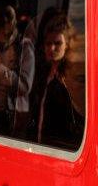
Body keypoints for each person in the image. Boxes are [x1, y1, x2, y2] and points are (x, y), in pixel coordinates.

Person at [28, 12, 84, 149]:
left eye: (57, 43)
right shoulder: (42, 74)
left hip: (60, 150)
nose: (52, 48)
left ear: (67, 45)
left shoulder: (70, 77)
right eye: (48, 43)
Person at [0, 6, 35, 136]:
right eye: (1, 17)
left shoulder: (24, 46)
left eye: (8, 16)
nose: (5, 21)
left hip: (12, 115)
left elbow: (24, 85)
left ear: (14, 19)